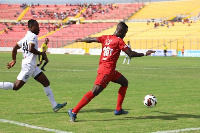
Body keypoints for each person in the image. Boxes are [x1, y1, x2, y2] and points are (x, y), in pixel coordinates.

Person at [68, 22, 155, 122]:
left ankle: (118, 109)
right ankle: (74, 111)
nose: (125, 35)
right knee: (95, 91)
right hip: (107, 71)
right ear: (121, 31)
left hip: (109, 70)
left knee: (124, 82)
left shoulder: (106, 37)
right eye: (125, 33)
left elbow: (91, 39)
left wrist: (80, 39)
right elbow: (130, 54)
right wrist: (145, 53)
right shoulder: (119, 41)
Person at [0, 19, 67, 112]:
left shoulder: (25, 37)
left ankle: (55, 105)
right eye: (36, 26)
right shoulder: (33, 36)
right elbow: (31, 49)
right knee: (16, 87)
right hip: (29, 65)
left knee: (46, 83)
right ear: (30, 27)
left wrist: (14, 59)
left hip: (32, 65)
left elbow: (15, 48)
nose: (38, 28)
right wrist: (42, 53)